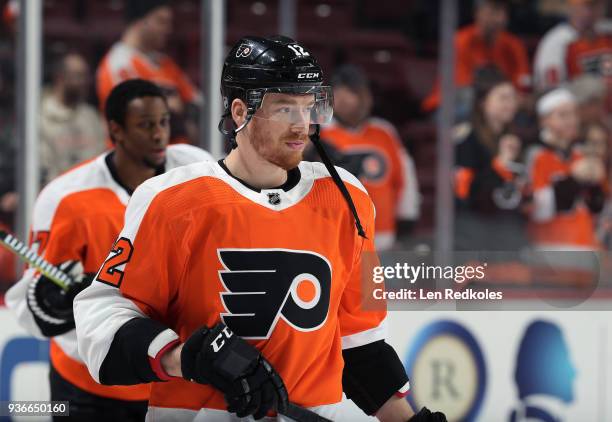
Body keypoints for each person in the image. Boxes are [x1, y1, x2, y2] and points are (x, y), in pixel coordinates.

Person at [74, 36, 447, 422]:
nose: (302, 125)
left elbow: (360, 342)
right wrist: (185, 358)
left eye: (309, 107)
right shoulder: (171, 200)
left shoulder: (349, 197)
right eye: (285, 108)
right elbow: (101, 315)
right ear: (240, 112)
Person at [5, 79, 213, 421]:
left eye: (163, 122)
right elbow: (31, 303)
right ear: (115, 130)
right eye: (145, 125)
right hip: (87, 384)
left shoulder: (192, 170)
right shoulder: (65, 197)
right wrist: (58, 303)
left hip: (171, 373)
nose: (159, 135)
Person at [318, 64, 420, 251]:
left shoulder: (384, 131)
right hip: (337, 239)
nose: (358, 99)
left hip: (383, 237)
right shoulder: (320, 133)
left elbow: (405, 176)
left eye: (361, 92)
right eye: (349, 92)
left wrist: (407, 216)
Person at [96, 0, 200, 144]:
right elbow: (133, 116)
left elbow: (195, 103)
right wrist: (170, 108)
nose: (168, 29)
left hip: (174, 156)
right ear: (140, 22)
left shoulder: (166, 63)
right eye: (161, 21)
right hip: (137, 161)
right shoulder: (119, 64)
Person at [453, 66, 527, 252]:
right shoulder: (466, 139)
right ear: (483, 102)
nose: (510, 104)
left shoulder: (514, 138)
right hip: (475, 236)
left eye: (513, 98)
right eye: (503, 98)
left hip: (508, 234)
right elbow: (465, 195)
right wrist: (499, 166)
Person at [527, 88, 605, 251]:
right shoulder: (536, 154)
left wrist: (595, 185)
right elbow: (540, 210)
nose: (572, 121)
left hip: (584, 245)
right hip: (549, 249)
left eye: (574, 114)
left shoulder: (580, 153)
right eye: (563, 115)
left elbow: (595, 207)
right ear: (544, 120)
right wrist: (574, 179)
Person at [422, 0, 531, 113]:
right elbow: (462, 88)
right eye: (492, 11)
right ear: (477, 13)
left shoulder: (514, 45)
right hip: (452, 105)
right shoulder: (460, 41)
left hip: (501, 106)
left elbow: (523, 86)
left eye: (502, 11)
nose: (498, 19)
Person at [40, 52, 106, 185]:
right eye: (78, 76)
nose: (84, 82)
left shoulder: (91, 116)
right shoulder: (42, 117)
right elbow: (43, 169)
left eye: (86, 76)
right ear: (60, 78)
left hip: (92, 191)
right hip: (57, 193)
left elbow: (102, 158)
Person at [533, 0, 607, 91]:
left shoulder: (607, 32)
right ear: (571, 8)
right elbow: (551, 89)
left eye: (596, 6)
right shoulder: (556, 41)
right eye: (584, 6)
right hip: (577, 100)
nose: (588, 12)